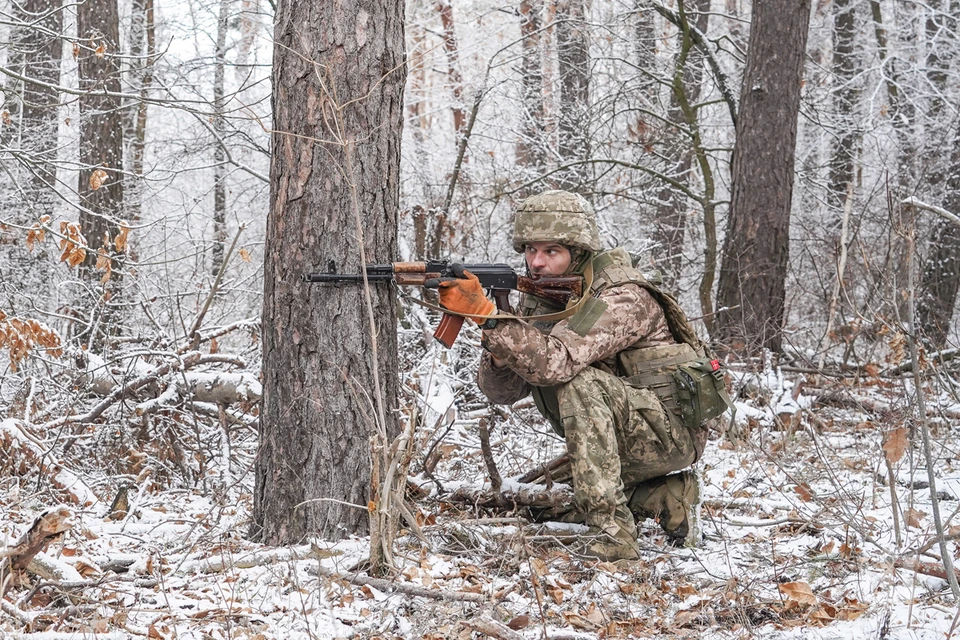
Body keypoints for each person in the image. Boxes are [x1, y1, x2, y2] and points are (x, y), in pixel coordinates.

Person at [436, 189, 724, 561]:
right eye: (530, 250)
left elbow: (556, 363)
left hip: (669, 435)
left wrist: (491, 319)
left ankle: (614, 536)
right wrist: (499, 344)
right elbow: (503, 393)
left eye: (551, 251)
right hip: (620, 437)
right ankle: (669, 498)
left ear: (580, 252)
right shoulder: (545, 297)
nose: (536, 262)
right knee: (531, 500)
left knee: (578, 381)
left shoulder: (620, 297)